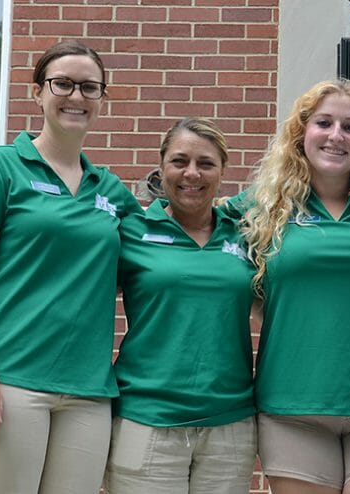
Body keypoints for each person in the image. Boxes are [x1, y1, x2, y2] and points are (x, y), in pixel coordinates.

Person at [0, 40, 142, 494]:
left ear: (102, 99)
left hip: (88, 392)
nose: (76, 96)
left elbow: (161, 250)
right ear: (37, 93)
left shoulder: (110, 191)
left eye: (89, 87)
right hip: (6, 380)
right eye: (63, 84)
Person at [230, 79, 350, 494]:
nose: (336, 135)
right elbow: (194, 226)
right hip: (293, 406)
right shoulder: (261, 208)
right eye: (324, 123)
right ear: (302, 132)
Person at [104, 118, 257, 494]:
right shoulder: (132, 231)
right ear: (161, 168)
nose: (192, 173)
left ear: (222, 171)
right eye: (179, 161)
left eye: (206, 163)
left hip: (229, 425)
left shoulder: (246, 234)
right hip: (147, 420)